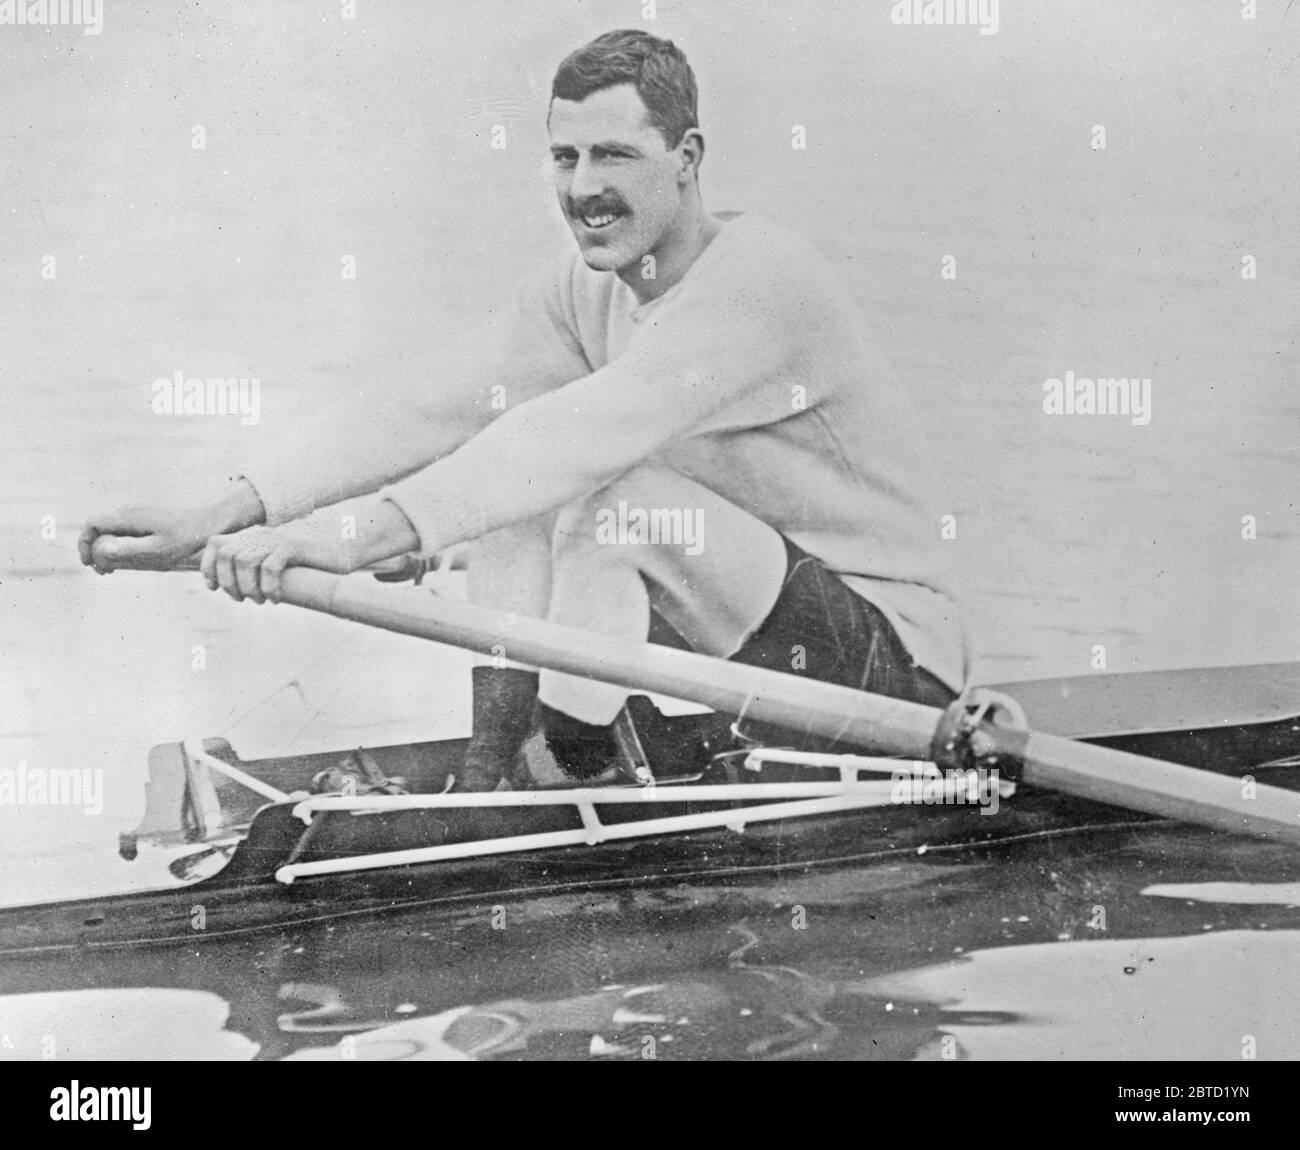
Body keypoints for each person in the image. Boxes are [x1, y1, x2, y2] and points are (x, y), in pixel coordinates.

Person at [79, 29, 969, 791]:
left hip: (894, 685)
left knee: (610, 501)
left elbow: (578, 436)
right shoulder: (587, 293)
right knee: (520, 503)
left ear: (688, 158)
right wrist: (222, 514)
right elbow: (425, 406)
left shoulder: (763, 284)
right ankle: (502, 763)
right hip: (761, 651)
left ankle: (566, 776)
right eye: (565, 156)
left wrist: (344, 542)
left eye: (615, 155)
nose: (583, 189)